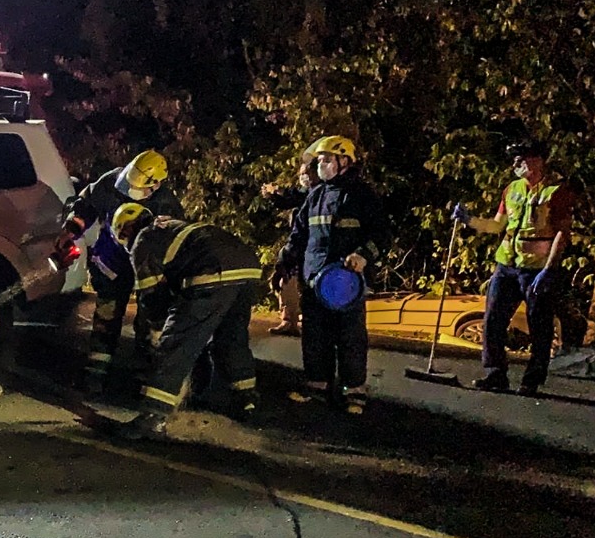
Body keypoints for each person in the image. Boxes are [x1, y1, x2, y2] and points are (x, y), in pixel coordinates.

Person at [102, 203, 262, 439]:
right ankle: (246, 401)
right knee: (231, 338)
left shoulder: (144, 240)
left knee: (174, 345)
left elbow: (150, 295)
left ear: (125, 230)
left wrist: (157, 328)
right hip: (248, 268)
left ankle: (153, 417)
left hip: (212, 271)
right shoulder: (170, 227)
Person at [55, 150, 185, 393]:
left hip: (147, 269)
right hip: (111, 261)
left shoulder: (167, 206)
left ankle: (144, 377)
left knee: (149, 323)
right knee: (106, 316)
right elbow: (85, 206)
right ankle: (95, 373)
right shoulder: (110, 183)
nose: (130, 191)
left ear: (156, 184)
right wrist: (71, 231)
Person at [278, 135, 391, 415]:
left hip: (347, 282)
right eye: (319, 160)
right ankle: (317, 386)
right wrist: (285, 260)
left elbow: (383, 234)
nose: (321, 165)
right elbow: (300, 234)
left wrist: (364, 255)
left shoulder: (362, 195)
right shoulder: (315, 196)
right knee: (315, 335)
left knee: (350, 337)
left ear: (345, 162)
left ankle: (354, 391)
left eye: (327, 159)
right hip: (315, 279)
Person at [453, 139, 575, 395]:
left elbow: (562, 234)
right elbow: (498, 225)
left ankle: (532, 380)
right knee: (493, 319)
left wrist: (549, 270)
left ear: (537, 161)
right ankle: (495, 374)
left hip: (536, 269)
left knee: (539, 326)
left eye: (521, 159)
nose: (515, 164)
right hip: (506, 265)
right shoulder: (512, 189)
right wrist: (469, 220)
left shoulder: (556, 192)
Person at [263, 158, 322, 336]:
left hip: (314, 251)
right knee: (285, 280)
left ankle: (305, 322)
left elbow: (293, 197)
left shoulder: (320, 194)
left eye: (307, 173)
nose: (304, 177)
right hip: (299, 249)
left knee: (308, 286)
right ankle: (289, 320)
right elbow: (290, 198)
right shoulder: (305, 195)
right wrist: (273, 196)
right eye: (301, 174)